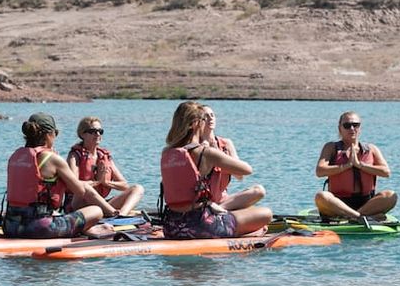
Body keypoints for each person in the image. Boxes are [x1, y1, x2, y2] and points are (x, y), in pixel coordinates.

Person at [160, 101, 272, 238]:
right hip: (201, 225)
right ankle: (246, 232)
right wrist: (218, 154)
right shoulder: (206, 152)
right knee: (265, 213)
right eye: (203, 119)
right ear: (195, 124)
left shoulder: (168, 153)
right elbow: (247, 170)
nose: (206, 122)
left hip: (171, 226)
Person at [4, 112, 118, 238]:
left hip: (10, 226)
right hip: (39, 228)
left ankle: (84, 228)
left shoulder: (16, 156)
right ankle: (87, 229)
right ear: (49, 134)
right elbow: (80, 190)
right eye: (55, 133)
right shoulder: (53, 158)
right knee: (96, 211)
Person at [314, 111, 397, 221]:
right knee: (321, 197)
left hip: (366, 204)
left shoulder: (371, 149)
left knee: (391, 196)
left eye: (355, 125)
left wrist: (360, 165)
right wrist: (346, 165)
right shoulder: (331, 147)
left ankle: (355, 216)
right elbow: (320, 171)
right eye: (347, 125)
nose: (352, 129)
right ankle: (359, 217)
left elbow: (386, 172)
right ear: (340, 129)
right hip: (338, 203)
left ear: (360, 128)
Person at [64, 116, 144, 216]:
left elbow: (124, 185)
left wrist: (106, 183)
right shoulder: (75, 155)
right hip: (79, 205)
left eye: (100, 131)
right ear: (82, 134)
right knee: (84, 186)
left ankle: (122, 214)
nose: (97, 134)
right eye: (93, 131)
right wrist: (96, 183)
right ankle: (113, 213)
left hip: (101, 204)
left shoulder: (104, 156)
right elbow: (73, 184)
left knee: (137, 188)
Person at [198, 105, 266, 210]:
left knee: (259, 191)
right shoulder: (197, 146)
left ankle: (219, 210)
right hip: (203, 200)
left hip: (223, 200)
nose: (210, 118)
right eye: (206, 116)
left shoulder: (226, 143)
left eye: (212, 115)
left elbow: (240, 176)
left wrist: (223, 161)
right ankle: (214, 210)